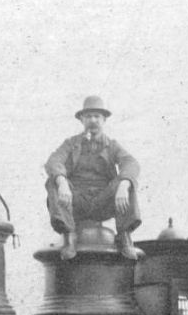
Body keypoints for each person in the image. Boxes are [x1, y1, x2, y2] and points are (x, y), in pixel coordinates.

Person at [44, 96, 143, 261]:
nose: (93, 120)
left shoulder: (112, 145)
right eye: (88, 116)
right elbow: (53, 161)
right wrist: (62, 182)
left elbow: (131, 162)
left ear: (104, 120)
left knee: (128, 181)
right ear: (82, 120)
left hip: (103, 201)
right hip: (76, 201)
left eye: (97, 116)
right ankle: (69, 235)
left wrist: (124, 184)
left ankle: (124, 235)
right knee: (52, 181)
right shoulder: (71, 143)